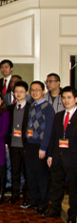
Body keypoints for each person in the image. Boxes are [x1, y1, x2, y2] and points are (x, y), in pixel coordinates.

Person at [44, 86, 77, 221]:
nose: (66, 100)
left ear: (76, 99)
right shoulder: (58, 116)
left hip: (74, 160)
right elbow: (53, 137)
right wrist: (50, 155)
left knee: (74, 190)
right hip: (58, 158)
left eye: (69, 97)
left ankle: (72, 214)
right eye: (63, 98)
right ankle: (55, 210)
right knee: (56, 187)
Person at [24, 81, 55, 214]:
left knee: (42, 176)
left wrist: (43, 148)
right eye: (32, 90)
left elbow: (49, 130)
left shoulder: (48, 107)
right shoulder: (32, 106)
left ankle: (43, 203)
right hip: (30, 144)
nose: (35, 92)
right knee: (31, 175)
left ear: (43, 91)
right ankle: (33, 200)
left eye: (37, 90)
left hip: (41, 145)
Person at [6, 81, 31, 206]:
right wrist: (6, 143)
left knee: (27, 173)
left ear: (26, 92)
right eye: (16, 92)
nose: (18, 94)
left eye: (21, 91)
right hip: (13, 145)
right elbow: (7, 127)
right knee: (14, 171)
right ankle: (15, 195)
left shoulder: (31, 107)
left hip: (26, 146)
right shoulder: (9, 108)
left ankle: (27, 197)